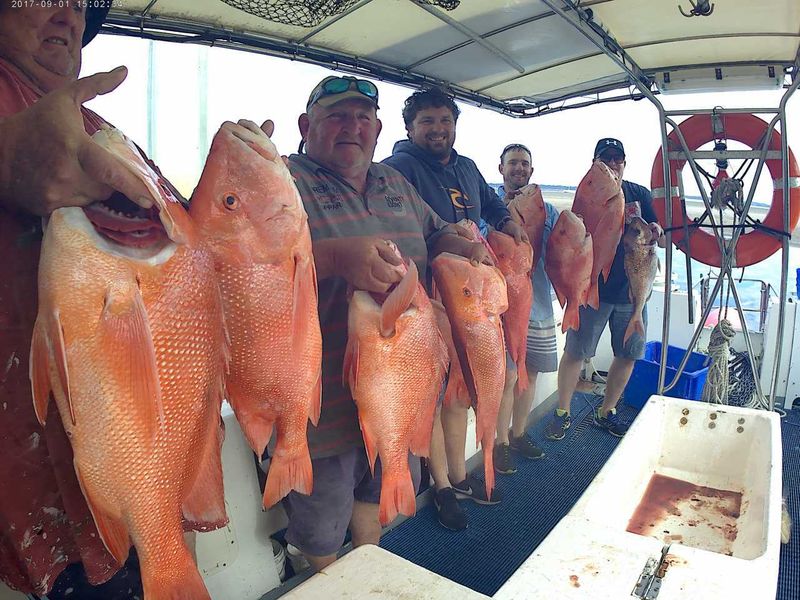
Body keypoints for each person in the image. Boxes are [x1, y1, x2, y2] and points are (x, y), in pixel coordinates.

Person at [0, 2, 207, 598]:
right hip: (37, 487)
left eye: (79, 3)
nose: (66, 15)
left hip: (138, 455)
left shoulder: (98, 127)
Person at [281, 75, 493, 570]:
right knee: (321, 523)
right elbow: (246, 264)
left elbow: (435, 233)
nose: (351, 127)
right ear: (306, 126)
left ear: (377, 130)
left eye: (363, 118)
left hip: (402, 380)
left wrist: (461, 246)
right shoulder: (284, 181)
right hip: (318, 401)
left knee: (377, 495)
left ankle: (367, 570)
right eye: (336, 116)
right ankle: (328, 581)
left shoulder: (393, 182)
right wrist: (335, 257)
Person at [382, 87, 528, 531]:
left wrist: (509, 224)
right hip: (427, 298)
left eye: (444, 120)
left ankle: (463, 474)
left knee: (466, 389)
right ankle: (442, 485)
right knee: (436, 392)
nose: (437, 129)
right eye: (427, 121)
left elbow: (492, 202)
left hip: (470, 294)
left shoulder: (466, 167)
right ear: (409, 128)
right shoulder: (397, 170)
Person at [543, 138, 665, 442]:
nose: (612, 164)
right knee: (575, 352)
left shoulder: (640, 194)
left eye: (617, 159)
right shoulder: (588, 193)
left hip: (632, 293)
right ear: (595, 162)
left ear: (624, 163)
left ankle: (606, 410)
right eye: (605, 158)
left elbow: (660, 237)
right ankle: (562, 412)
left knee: (629, 353)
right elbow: (573, 238)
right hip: (591, 289)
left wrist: (657, 231)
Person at [492, 143, 558, 475]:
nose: (519, 168)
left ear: (532, 171)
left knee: (530, 373)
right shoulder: (488, 208)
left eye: (524, 164)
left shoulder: (548, 211)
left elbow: (565, 248)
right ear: (501, 168)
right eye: (513, 163)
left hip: (540, 304)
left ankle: (519, 434)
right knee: (507, 377)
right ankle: (500, 443)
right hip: (501, 309)